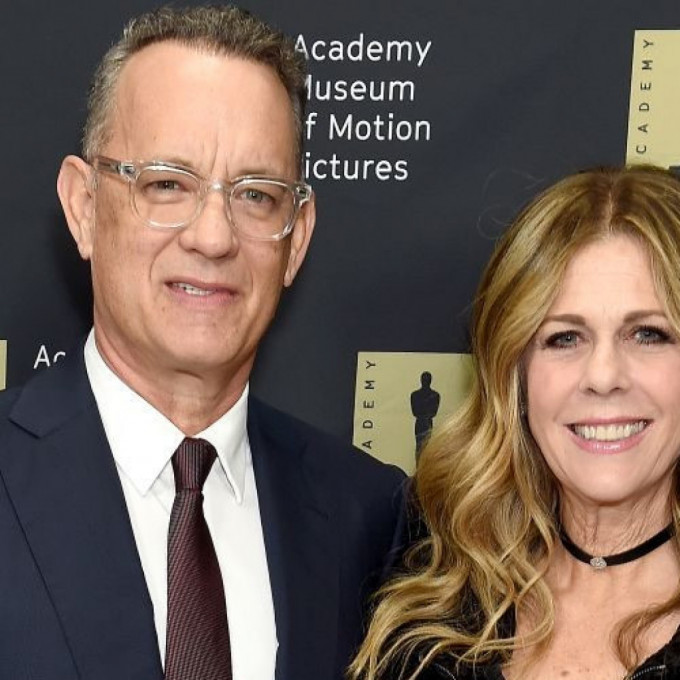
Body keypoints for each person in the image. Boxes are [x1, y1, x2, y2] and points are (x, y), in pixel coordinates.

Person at [0, 7, 405, 680]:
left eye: (256, 195)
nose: (213, 237)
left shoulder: (368, 517)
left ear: (296, 238)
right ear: (84, 207)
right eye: (167, 183)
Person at [351, 165, 680, 679]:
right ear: (515, 376)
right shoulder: (430, 616)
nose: (603, 376)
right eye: (564, 338)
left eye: (648, 334)